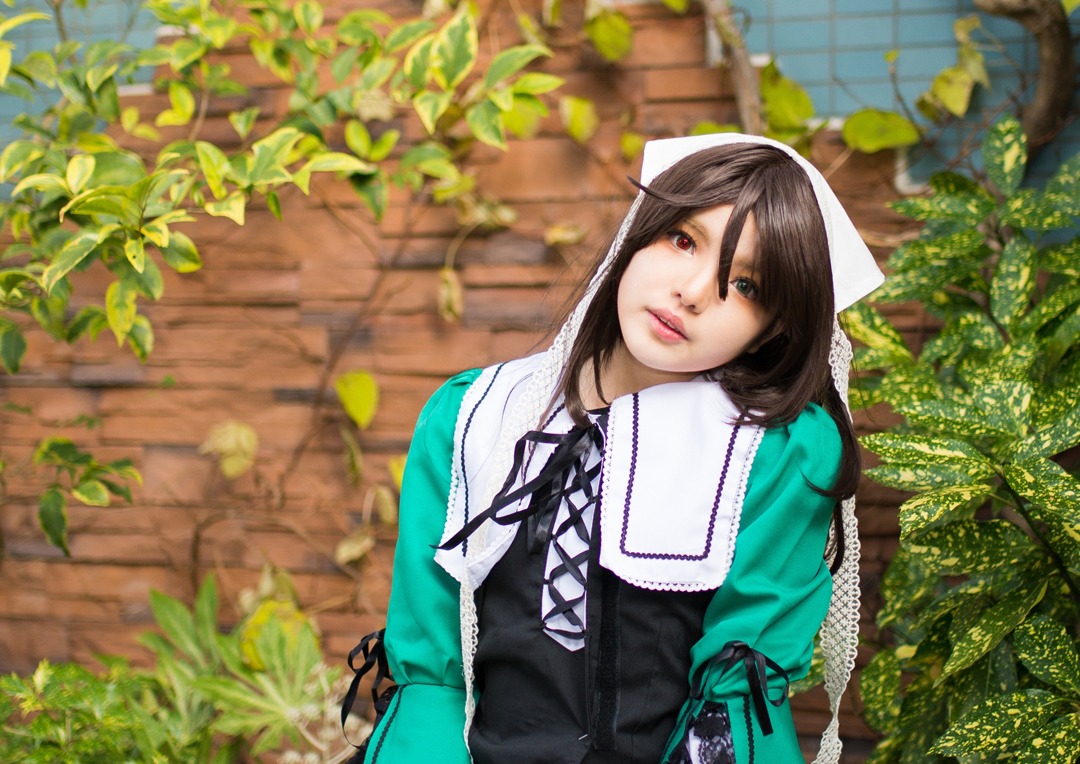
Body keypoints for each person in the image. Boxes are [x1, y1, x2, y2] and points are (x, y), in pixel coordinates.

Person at [341, 133, 884, 764]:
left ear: (775, 329)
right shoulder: (473, 414)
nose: (694, 291)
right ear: (638, 232)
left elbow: (733, 703)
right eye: (683, 239)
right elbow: (432, 665)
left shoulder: (777, 452)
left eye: (749, 285)